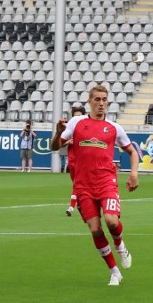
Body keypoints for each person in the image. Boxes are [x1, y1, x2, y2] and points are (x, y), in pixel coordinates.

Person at [51, 85, 140, 286]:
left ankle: (120, 245)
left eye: (104, 100)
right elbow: (54, 147)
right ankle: (114, 272)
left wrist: (134, 174)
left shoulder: (114, 127)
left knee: (111, 221)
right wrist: (58, 134)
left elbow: (132, 152)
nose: (101, 103)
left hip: (106, 182)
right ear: (89, 101)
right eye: (97, 99)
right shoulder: (77, 122)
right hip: (83, 186)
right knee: (95, 229)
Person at [61, 105, 86, 216]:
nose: (77, 119)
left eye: (79, 117)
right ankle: (81, 204)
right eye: (75, 117)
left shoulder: (86, 129)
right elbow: (59, 144)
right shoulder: (69, 129)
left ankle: (71, 207)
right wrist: (68, 142)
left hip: (83, 161)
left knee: (76, 185)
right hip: (72, 161)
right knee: (78, 186)